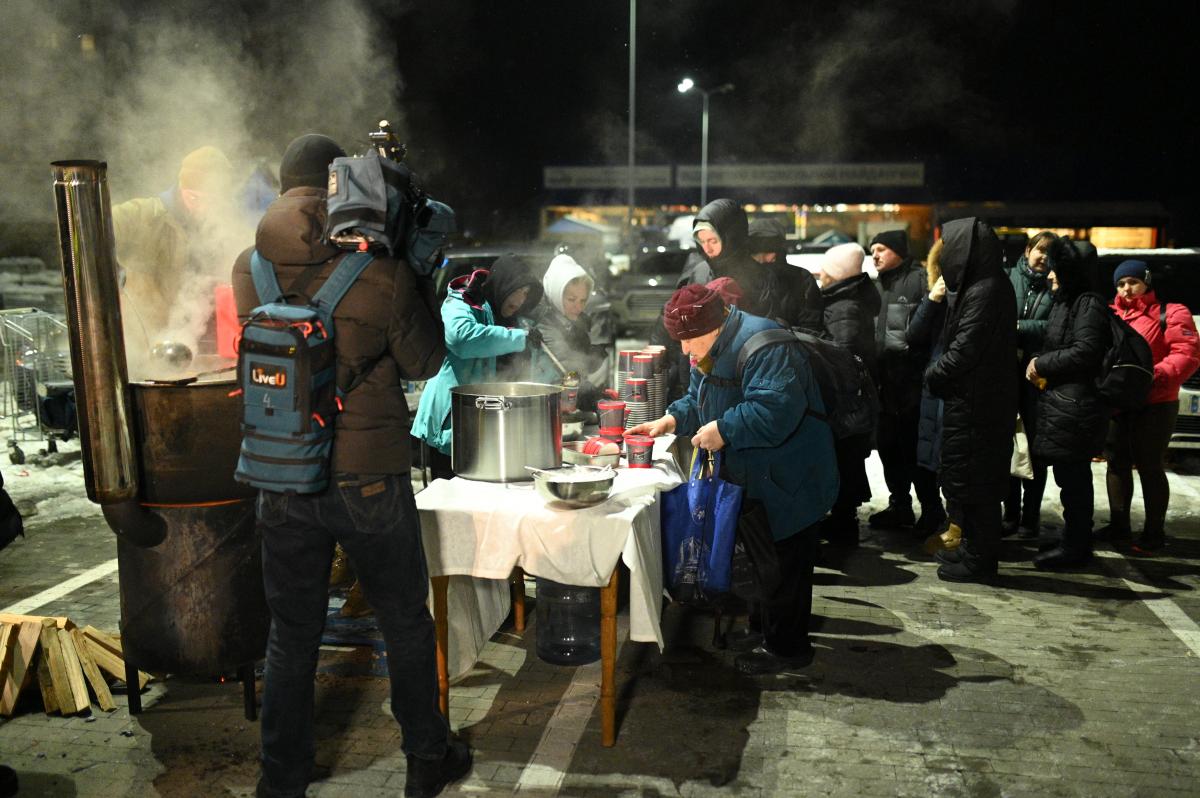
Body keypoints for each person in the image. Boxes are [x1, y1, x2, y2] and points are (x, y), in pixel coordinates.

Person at [231, 133, 470, 798]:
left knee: (292, 633)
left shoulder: (249, 267)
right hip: (367, 477)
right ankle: (425, 759)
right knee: (403, 620)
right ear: (342, 186)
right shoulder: (379, 272)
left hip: (281, 473)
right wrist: (416, 270)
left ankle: (281, 778)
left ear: (284, 187)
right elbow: (426, 361)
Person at [628, 282, 838, 675]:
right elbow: (699, 398)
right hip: (758, 475)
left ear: (714, 326)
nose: (685, 351)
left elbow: (776, 410)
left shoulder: (766, 346)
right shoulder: (710, 350)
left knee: (785, 565)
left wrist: (723, 429)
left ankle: (787, 649)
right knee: (763, 561)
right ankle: (763, 633)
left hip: (793, 477)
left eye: (688, 340)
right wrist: (670, 420)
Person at [925, 218, 1017, 583]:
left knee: (979, 485)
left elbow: (965, 348)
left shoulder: (986, 289)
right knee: (970, 480)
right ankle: (972, 549)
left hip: (980, 404)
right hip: (974, 399)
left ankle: (981, 561)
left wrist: (934, 373)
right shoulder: (981, 285)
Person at [413, 254, 544, 479]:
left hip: (490, 430)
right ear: (504, 283)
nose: (521, 300)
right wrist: (517, 337)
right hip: (451, 425)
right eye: (519, 290)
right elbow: (460, 339)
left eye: (526, 294)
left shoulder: (518, 322)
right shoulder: (464, 301)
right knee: (450, 497)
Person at [1102, 259, 1200, 552]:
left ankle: (1153, 533)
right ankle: (1119, 527)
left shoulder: (1171, 313)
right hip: (1119, 401)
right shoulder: (1109, 313)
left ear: (1146, 282)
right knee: (1116, 463)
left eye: (1133, 282)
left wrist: (1151, 377)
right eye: (1121, 284)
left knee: (1149, 466)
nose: (1126, 289)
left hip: (1155, 401)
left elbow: (1186, 354)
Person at [1025, 239, 1112, 571]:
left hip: (1076, 405)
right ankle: (1074, 539)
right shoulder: (1067, 301)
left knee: (1074, 479)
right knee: (1068, 476)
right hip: (1063, 403)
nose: (1049, 276)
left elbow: (1086, 351)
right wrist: (1041, 360)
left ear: (1070, 272)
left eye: (1056, 270)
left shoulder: (1088, 303)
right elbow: (1057, 342)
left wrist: (1042, 363)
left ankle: (1076, 547)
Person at [114, 145, 250, 345]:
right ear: (180, 188)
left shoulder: (228, 224)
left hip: (204, 340)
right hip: (146, 341)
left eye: (213, 201)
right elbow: (89, 226)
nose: (203, 209)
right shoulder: (144, 215)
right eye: (194, 198)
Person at [866, 229, 941, 533]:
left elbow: (930, 326)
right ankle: (900, 505)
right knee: (888, 448)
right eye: (873, 250)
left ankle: (932, 510)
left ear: (898, 250)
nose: (875, 255)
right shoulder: (876, 286)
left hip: (913, 382)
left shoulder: (920, 280)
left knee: (915, 451)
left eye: (881, 249)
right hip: (885, 384)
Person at [814, 242, 881, 545]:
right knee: (847, 459)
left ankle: (843, 527)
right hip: (850, 398)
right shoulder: (845, 301)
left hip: (845, 400)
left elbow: (842, 353)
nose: (821, 273)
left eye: (826, 268)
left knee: (845, 459)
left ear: (838, 273)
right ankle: (843, 522)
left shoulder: (845, 308)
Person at [1004, 231, 1058, 539]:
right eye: (1040, 250)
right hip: (1007, 374)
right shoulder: (1008, 278)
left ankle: (1030, 517)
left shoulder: (1055, 285)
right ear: (1028, 250)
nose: (1043, 257)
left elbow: (1055, 326)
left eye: (1050, 253)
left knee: (1035, 449)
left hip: (1037, 377)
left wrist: (1019, 327)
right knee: (1009, 444)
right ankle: (1010, 514)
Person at [905, 239, 957, 553]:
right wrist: (932, 299)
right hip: (929, 387)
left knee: (951, 460)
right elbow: (914, 335)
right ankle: (932, 513)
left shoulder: (973, 296)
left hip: (953, 387)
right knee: (925, 456)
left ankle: (956, 525)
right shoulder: (936, 294)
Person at [529, 252, 609, 409]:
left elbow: (580, 362)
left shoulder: (574, 320)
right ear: (556, 294)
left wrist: (595, 354)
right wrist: (594, 397)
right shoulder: (543, 322)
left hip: (567, 401)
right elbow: (566, 365)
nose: (578, 307)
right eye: (571, 299)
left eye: (583, 300)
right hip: (543, 405)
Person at [748, 217, 823, 333]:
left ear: (779, 250)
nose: (763, 258)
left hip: (793, 342)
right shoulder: (743, 277)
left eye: (769, 250)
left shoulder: (801, 278)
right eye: (757, 253)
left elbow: (811, 325)